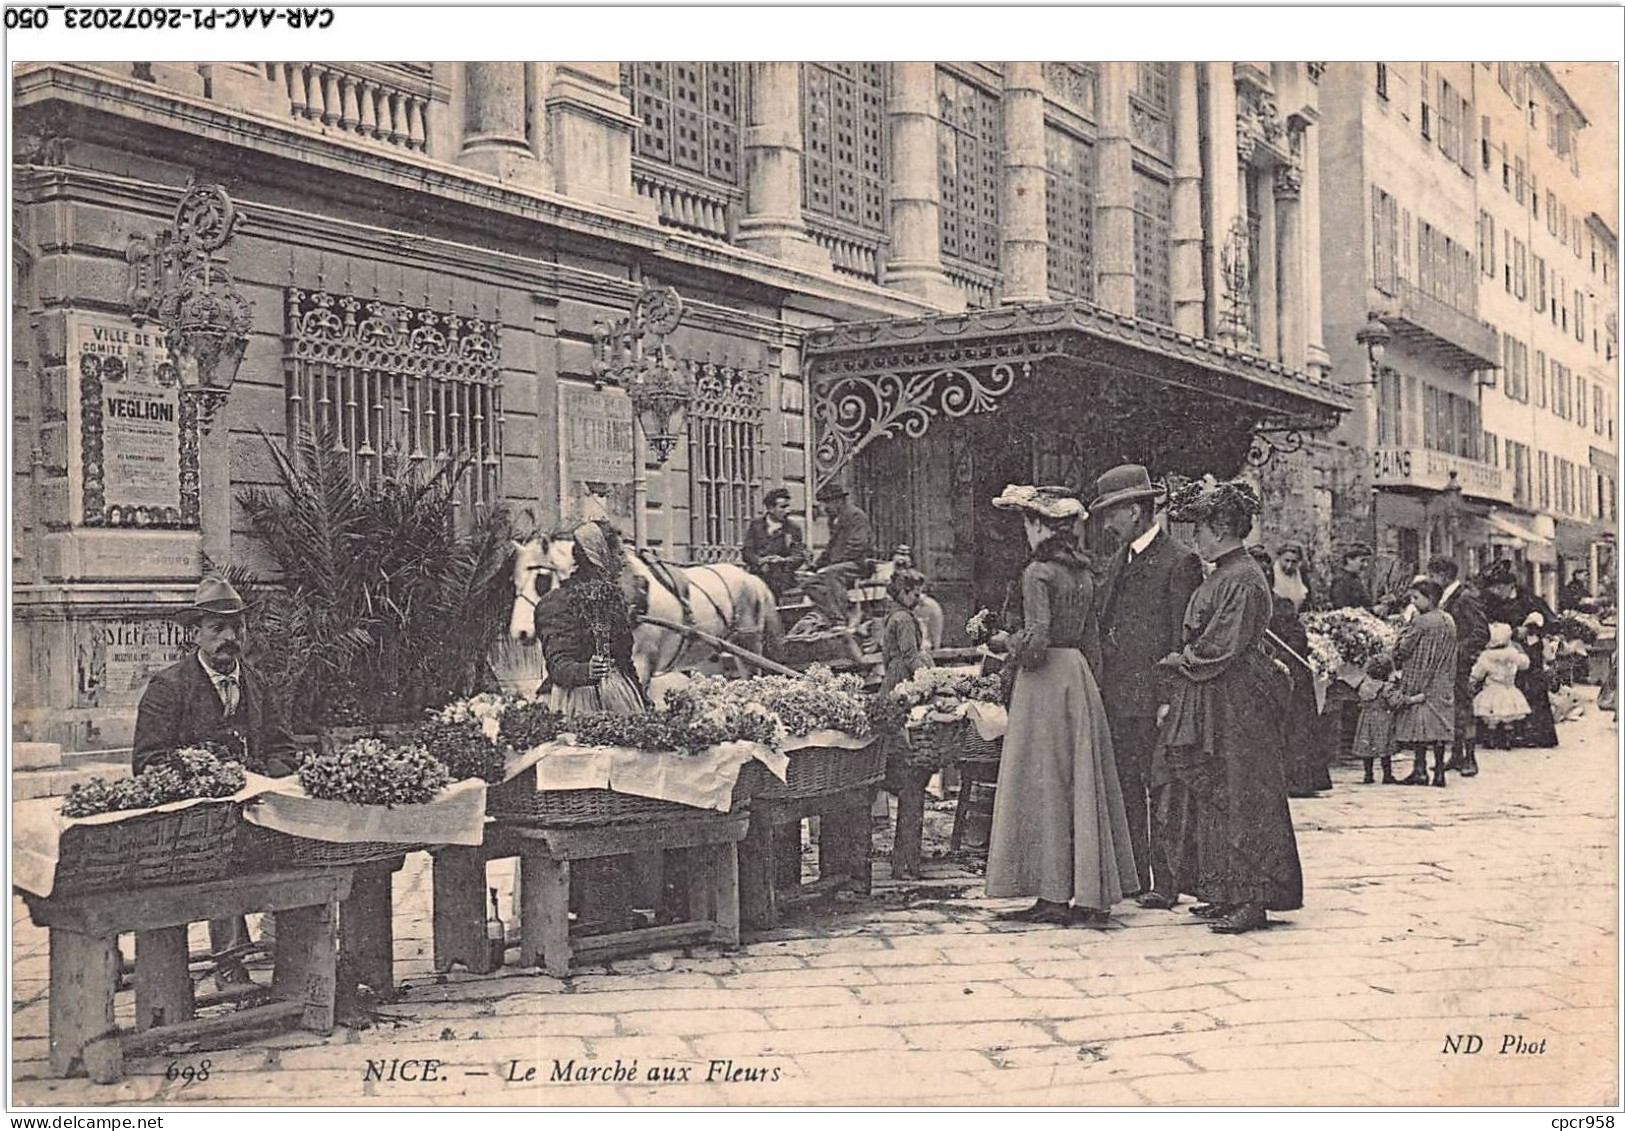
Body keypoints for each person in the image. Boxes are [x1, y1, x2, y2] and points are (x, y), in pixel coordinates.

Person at [133, 576, 302, 987]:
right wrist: (205, 776)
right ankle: (230, 964)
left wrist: (266, 775)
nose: (230, 638)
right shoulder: (169, 688)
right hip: (194, 819)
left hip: (257, 807)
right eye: (218, 629)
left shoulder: (257, 684)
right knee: (217, 850)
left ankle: (296, 958)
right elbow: (147, 762)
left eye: (237, 628)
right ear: (196, 634)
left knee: (303, 846)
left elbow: (283, 748)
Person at [984, 484, 1136, 928]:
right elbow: (1091, 642)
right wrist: (1091, 690)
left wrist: (999, 642)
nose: (1025, 533)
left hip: (1045, 682)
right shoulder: (1084, 574)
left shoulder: (1037, 573)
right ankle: (1087, 891)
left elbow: (1034, 643)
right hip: (1078, 678)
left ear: (1038, 526)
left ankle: (1052, 894)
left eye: (1027, 524)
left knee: (1044, 783)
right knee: (1079, 783)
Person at [1155, 478, 1303, 934]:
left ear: (1220, 528)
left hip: (1236, 698)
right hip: (1213, 694)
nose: (1194, 537)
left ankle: (1252, 898)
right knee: (1214, 789)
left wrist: (1183, 659)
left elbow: (1224, 642)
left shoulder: (1241, 577)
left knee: (1242, 791)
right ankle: (1222, 890)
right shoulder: (1223, 572)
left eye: (1199, 528)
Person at [1092, 463, 1203, 908]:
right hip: (1118, 696)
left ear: (1136, 510)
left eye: (1111, 513)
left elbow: (1182, 635)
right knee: (1126, 787)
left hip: (1155, 698)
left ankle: (1167, 881)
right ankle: (1135, 874)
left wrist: (1167, 696)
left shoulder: (1179, 561)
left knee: (1163, 790)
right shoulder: (1119, 560)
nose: (1106, 522)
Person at [533, 521, 648, 719]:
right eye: (618, 555)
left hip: (620, 696)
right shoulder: (557, 603)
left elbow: (624, 661)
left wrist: (643, 700)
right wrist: (586, 670)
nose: (623, 562)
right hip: (574, 702)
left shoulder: (613, 600)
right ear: (599, 557)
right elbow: (558, 665)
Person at [1249, 545, 1326, 797]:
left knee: (1294, 729)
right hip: (1265, 674)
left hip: (1289, 674)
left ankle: (1298, 780)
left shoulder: (1280, 605)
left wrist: (1273, 656)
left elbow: (1296, 640)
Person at [1479, 559, 1560, 748]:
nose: (1498, 593)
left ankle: (1537, 734)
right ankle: (1506, 733)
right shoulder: (1492, 602)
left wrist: (1532, 630)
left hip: (1529, 651)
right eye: (1495, 589)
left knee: (1533, 690)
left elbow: (1551, 623)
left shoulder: (1530, 600)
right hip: (1503, 653)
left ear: (1510, 586)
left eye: (1501, 588)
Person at [1391, 578, 1458, 787]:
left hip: (1420, 679)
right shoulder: (1449, 619)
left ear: (1429, 599)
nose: (1413, 601)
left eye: (1416, 598)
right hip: (1443, 680)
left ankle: (1419, 769)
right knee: (1439, 726)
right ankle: (1439, 771)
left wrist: (1402, 631)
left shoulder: (1421, 621)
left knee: (1418, 727)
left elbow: (1403, 649)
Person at [799, 482, 877, 632]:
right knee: (807, 582)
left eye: (827, 503)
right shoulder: (834, 519)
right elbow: (830, 548)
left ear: (838, 501)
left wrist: (830, 565)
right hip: (842, 564)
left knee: (831, 574)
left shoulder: (855, 516)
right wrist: (814, 566)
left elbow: (858, 545)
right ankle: (831, 613)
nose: (824, 508)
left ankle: (839, 619)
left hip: (859, 564)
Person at [1472, 622, 1532, 749]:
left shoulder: (1486, 656)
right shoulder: (1513, 653)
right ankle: (1506, 739)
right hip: (1509, 687)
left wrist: (1473, 679)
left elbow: (1478, 673)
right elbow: (1524, 665)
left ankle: (1491, 738)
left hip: (1492, 689)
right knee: (1508, 715)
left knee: (1491, 717)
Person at [740, 487, 807, 599]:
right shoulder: (756, 525)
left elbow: (798, 555)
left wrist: (783, 560)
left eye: (788, 506)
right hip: (758, 579)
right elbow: (747, 552)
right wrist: (760, 561)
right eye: (783, 507)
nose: (788, 511)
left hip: (783, 581)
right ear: (770, 508)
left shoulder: (793, 528)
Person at [1350, 654, 1404, 785]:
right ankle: (1387, 775)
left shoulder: (1364, 686)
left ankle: (1368, 775)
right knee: (1384, 749)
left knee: (1367, 748)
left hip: (1367, 719)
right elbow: (1396, 701)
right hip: (1383, 720)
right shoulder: (1387, 687)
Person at [878, 568, 933, 696]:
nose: (918, 600)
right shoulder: (904, 619)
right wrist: (930, 678)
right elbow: (910, 656)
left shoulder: (894, 614)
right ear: (903, 593)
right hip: (904, 675)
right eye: (916, 595)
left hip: (895, 670)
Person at [1329, 546, 1375, 610]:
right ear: (1349, 560)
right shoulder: (1341, 581)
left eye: (1366, 561)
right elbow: (1343, 610)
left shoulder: (1355, 579)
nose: (1365, 565)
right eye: (1362, 561)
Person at [1271, 542, 1312, 612]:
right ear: (1279, 557)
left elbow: (1308, 604)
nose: (1289, 565)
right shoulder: (1270, 575)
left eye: (1294, 562)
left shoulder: (1302, 577)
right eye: (1286, 560)